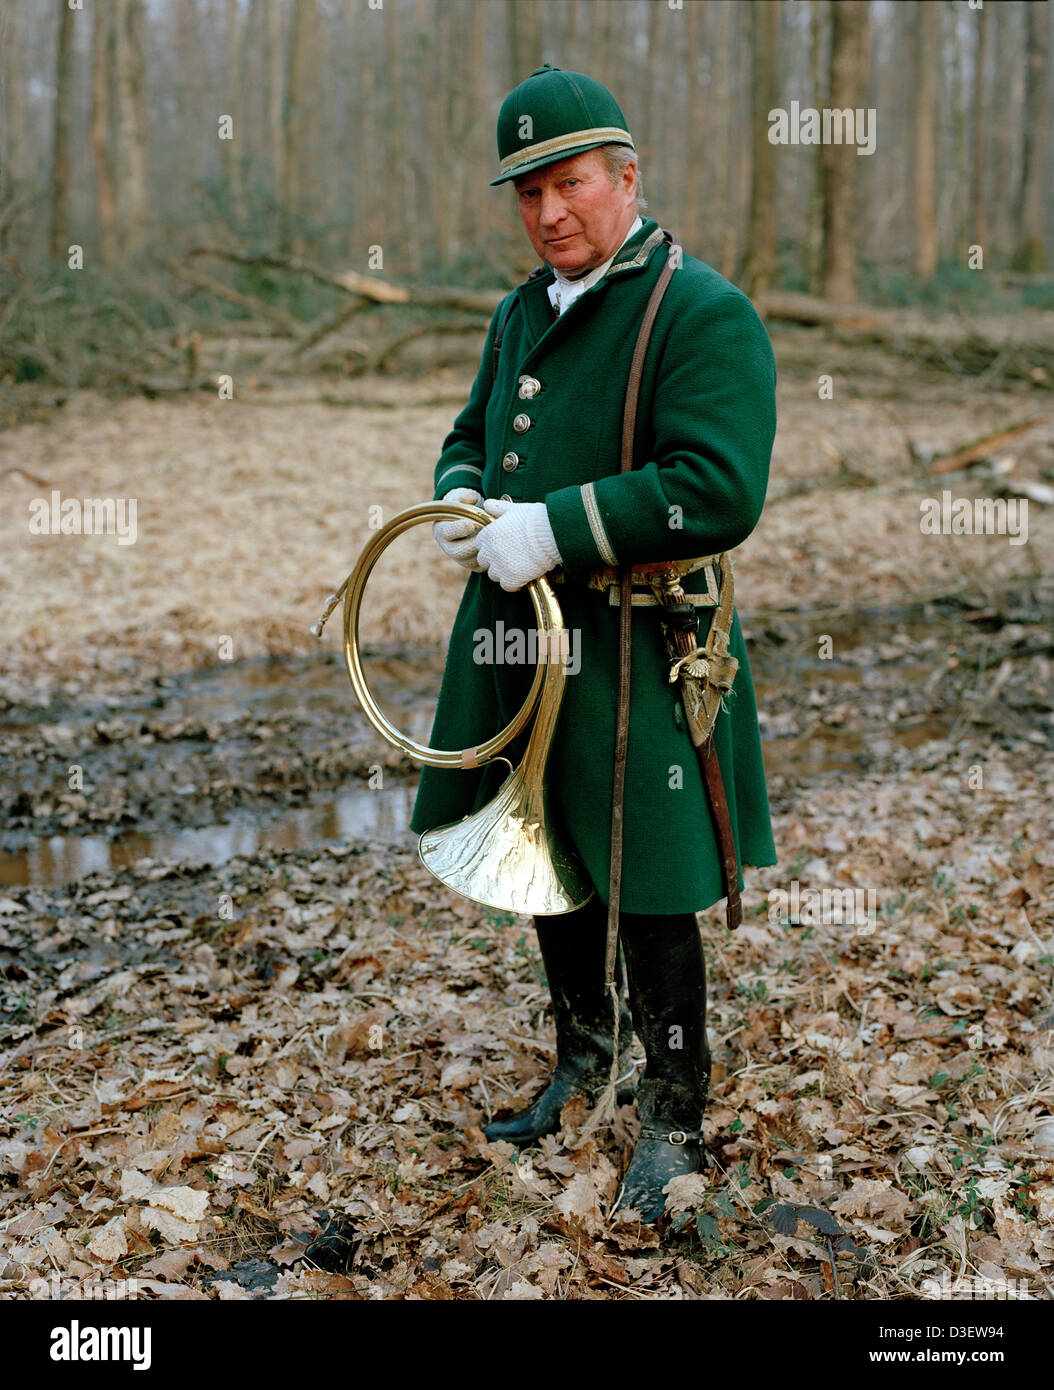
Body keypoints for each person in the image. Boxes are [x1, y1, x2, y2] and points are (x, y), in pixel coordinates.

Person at [410, 65, 777, 1221]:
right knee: (545, 852)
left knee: (652, 887)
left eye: (568, 184)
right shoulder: (521, 309)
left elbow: (715, 487)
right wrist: (465, 502)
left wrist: (555, 526)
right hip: (524, 641)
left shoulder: (698, 309)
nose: (548, 213)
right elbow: (469, 435)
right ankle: (587, 1053)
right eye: (526, 193)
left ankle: (674, 1112)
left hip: (644, 645)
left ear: (626, 177)